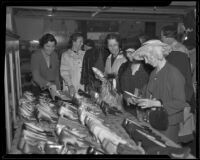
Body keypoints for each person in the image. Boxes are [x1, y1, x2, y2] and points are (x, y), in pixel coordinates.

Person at [132, 40, 190, 143]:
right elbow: (150, 92)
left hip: (168, 124)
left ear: (155, 54)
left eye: (146, 57)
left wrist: (156, 103)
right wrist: (137, 98)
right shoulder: (154, 72)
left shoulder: (174, 73)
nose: (145, 61)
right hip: (155, 120)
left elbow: (181, 102)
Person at [60, 32, 85, 97]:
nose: (82, 43)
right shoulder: (65, 55)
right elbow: (64, 72)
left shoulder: (84, 54)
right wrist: (70, 85)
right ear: (74, 42)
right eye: (80, 41)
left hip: (82, 87)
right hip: (70, 87)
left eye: (82, 41)